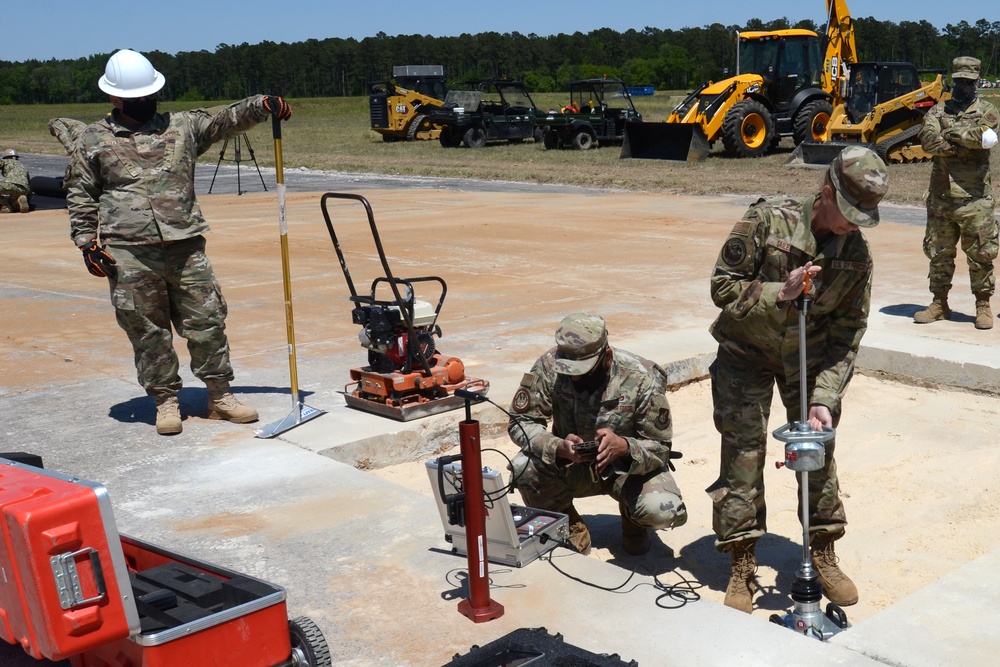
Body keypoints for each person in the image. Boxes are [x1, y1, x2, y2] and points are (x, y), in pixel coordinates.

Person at [66, 49, 293, 435]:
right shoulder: (93, 139)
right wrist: (87, 241)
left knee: (207, 322)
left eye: (150, 95)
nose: (146, 103)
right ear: (115, 98)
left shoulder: (183, 126)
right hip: (128, 251)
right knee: (147, 330)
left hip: (185, 246)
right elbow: (80, 191)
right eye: (137, 97)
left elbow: (225, 120)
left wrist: (261, 105)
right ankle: (165, 401)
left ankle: (220, 396)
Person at [705, 146, 889, 614]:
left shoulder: (856, 256)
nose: (851, 225)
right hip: (745, 355)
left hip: (805, 363)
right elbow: (721, 286)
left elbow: (848, 333)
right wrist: (777, 292)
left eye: (862, 217)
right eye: (848, 213)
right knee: (743, 456)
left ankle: (822, 550)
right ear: (826, 191)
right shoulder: (770, 220)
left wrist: (825, 396)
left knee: (817, 454)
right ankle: (742, 560)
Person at [507, 312, 687, 556]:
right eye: (569, 370)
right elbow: (521, 421)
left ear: (607, 356)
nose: (576, 377)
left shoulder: (642, 376)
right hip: (573, 467)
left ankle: (633, 521)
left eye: (584, 369)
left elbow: (660, 447)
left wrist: (625, 446)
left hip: (626, 471)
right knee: (523, 466)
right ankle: (569, 525)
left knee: (663, 510)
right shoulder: (549, 365)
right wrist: (557, 446)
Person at [915, 56, 1000, 330]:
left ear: (976, 82)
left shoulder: (988, 110)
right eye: (959, 81)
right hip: (941, 198)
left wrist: (953, 135)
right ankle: (940, 303)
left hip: (975, 199)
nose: (963, 86)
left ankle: (983, 305)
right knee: (939, 253)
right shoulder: (937, 110)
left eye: (968, 82)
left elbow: (985, 138)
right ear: (953, 80)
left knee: (981, 255)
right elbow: (927, 141)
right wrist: (965, 140)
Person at [0, 148, 31, 213]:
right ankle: (19, 200)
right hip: (24, 189)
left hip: (9, 185)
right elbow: (30, 186)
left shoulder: (6, 161)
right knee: (13, 203)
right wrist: (29, 201)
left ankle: (4, 205)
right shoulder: (23, 166)